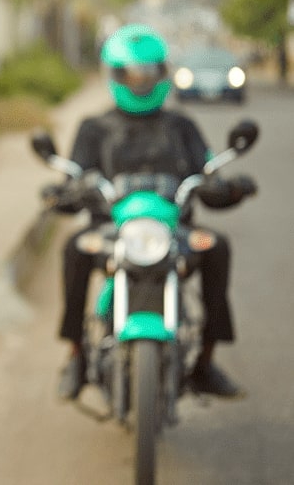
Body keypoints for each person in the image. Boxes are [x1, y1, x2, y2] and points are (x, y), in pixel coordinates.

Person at [49, 23, 256, 401]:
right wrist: (63, 193)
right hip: (110, 233)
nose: (140, 81)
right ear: (114, 74)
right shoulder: (94, 128)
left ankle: (206, 363)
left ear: (162, 73)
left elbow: (208, 176)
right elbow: (75, 178)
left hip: (174, 233)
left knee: (218, 246)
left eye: (148, 73)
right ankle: (76, 355)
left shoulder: (183, 126)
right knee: (75, 248)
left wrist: (230, 187)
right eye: (131, 73)